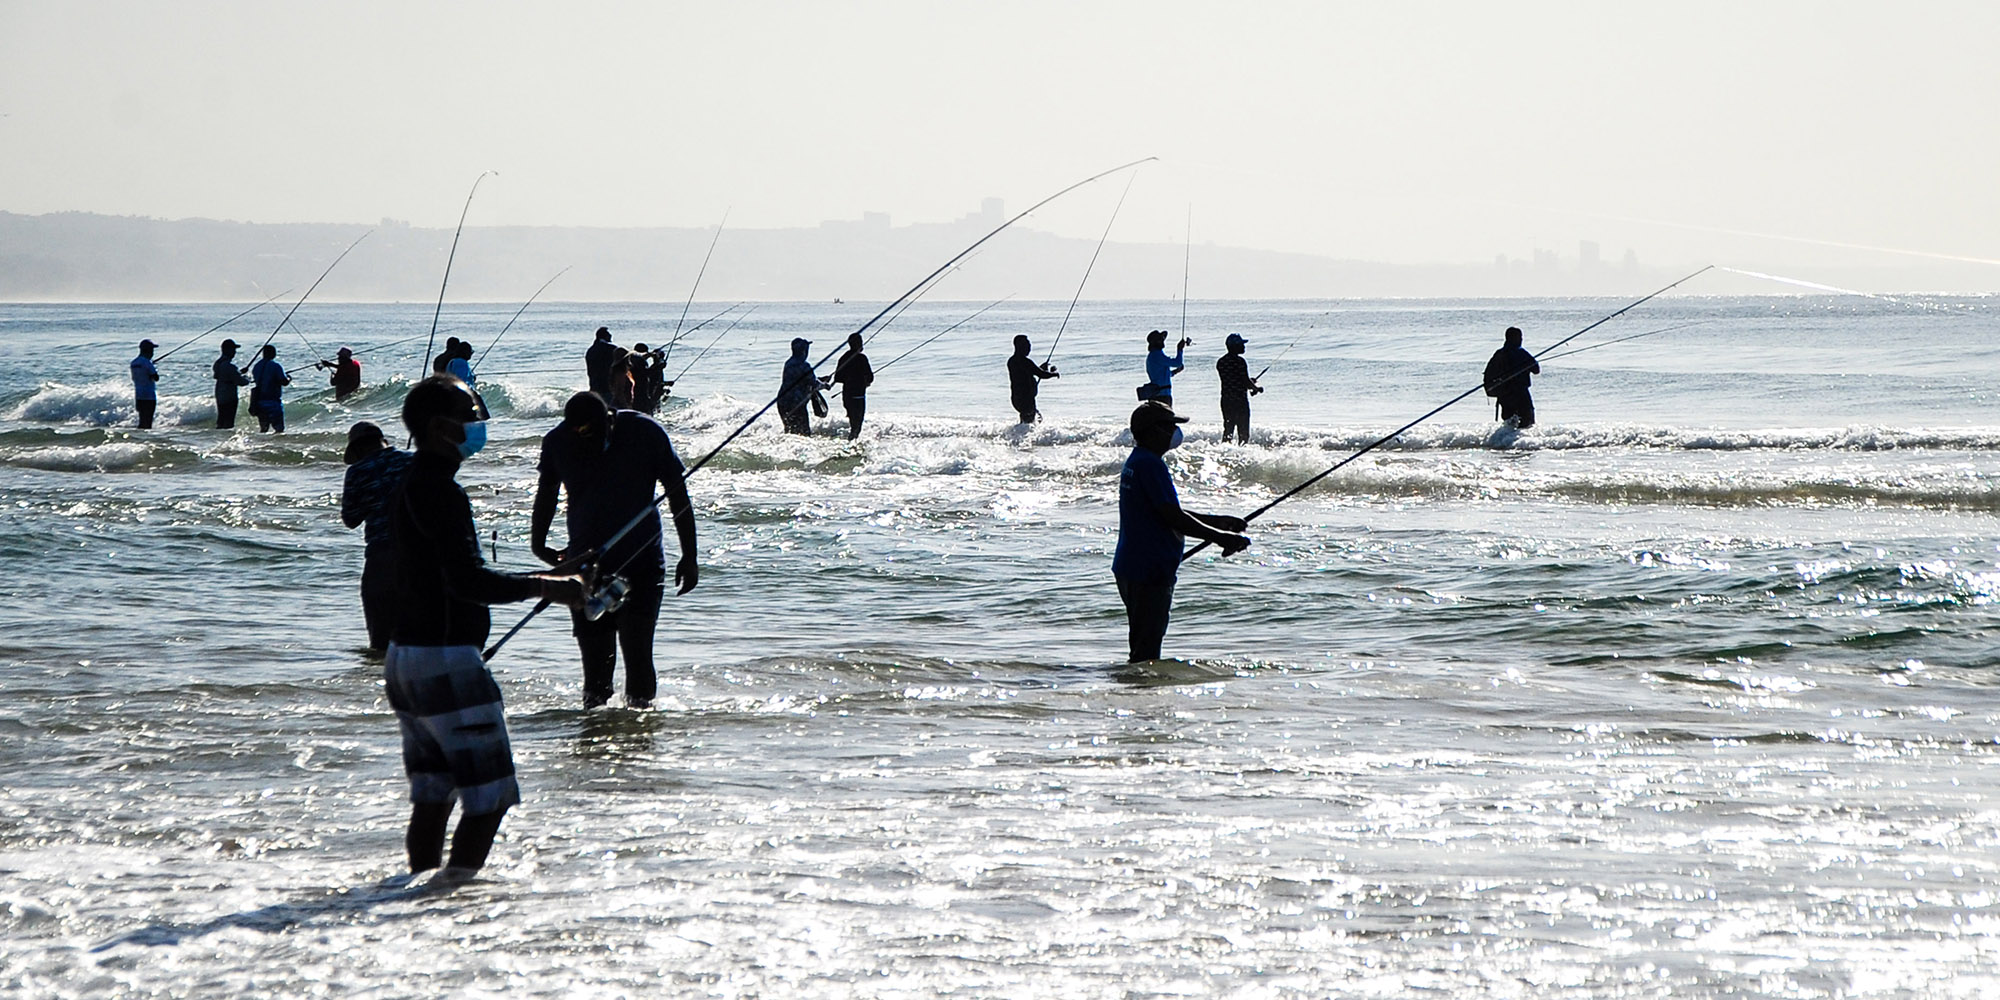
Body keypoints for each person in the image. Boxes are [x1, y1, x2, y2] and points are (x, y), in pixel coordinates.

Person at [385, 375, 585, 878]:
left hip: (405, 657)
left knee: (434, 794)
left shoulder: (408, 482)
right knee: (489, 797)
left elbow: (444, 573)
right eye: (470, 415)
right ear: (439, 428)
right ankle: (453, 896)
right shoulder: (441, 491)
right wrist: (547, 587)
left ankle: (418, 892)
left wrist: (544, 580)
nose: (480, 423)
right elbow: (467, 581)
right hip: (446, 661)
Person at [532, 392, 699, 709]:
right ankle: (595, 732)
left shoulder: (646, 432)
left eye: (596, 434)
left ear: (610, 419)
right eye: (582, 436)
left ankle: (640, 728)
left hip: (642, 562)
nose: (591, 443)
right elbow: (546, 493)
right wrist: (538, 544)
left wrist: (689, 555)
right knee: (596, 668)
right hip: (585, 568)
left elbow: (677, 493)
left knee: (638, 655)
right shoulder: (557, 441)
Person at [1112, 401, 1250, 663]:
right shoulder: (1150, 465)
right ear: (1153, 431)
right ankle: (1140, 688)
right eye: (1169, 426)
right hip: (1148, 570)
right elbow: (1173, 517)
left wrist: (1218, 522)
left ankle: (1136, 686)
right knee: (1146, 653)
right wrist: (1221, 538)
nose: (1174, 432)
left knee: (1142, 645)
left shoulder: (1139, 461)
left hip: (1134, 565)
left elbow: (1165, 509)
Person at [340, 421, 413, 653]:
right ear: (383, 441)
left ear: (357, 450)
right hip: (420, 555)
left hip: (382, 558)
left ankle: (380, 673)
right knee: (420, 634)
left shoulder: (357, 472)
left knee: (381, 641)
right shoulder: (413, 461)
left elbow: (351, 519)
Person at [1482, 326, 1541, 429]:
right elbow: (1536, 370)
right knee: (1527, 423)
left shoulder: (1499, 354)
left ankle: (1504, 439)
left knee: (1509, 425)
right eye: (1520, 337)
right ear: (1516, 338)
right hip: (1520, 395)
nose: (1522, 340)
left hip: (1504, 396)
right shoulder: (1521, 353)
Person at [1215, 333, 1263, 444]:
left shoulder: (1221, 362)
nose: (1244, 346)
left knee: (1228, 429)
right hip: (1240, 401)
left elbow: (1233, 378)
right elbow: (1245, 381)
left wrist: (1249, 383)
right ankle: (1242, 452)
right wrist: (1256, 388)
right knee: (1243, 432)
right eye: (1241, 344)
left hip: (1226, 400)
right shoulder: (1240, 361)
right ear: (1235, 346)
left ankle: (1225, 450)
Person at [824, 332, 873, 440]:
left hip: (847, 395)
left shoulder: (844, 357)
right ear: (859, 344)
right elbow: (870, 377)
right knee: (857, 425)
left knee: (853, 421)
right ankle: (852, 442)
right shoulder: (862, 358)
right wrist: (865, 382)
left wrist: (849, 379)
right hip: (858, 395)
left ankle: (851, 441)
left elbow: (838, 377)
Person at [1006, 334, 1059, 424]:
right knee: (1030, 422)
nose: (1029, 348)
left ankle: (1017, 432)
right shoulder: (1024, 361)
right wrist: (1054, 374)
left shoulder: (1012, 361)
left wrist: (1041, 369)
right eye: (1027, 346)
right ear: (1019, 346)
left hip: (1016, 398)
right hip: (1026, 399)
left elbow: (1030, 372)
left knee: (1030, 420)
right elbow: (1041, 374)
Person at [776, 337, 824, 435]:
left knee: (789, 430)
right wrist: (825, 385)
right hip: (796, 404)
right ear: (803, 351)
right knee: (804, 433)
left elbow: (801, 379)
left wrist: (818, 380)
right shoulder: (804, 365)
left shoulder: (788, 363)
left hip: (782, 402)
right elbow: (814, 384)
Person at [250, 344, 291, 433]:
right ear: (273, 354)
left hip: (260, 402)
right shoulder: (275, 366)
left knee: (264, 429)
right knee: (279, 429)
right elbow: (284, 382)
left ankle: (262, 441)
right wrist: (289, 378)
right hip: (273, 403)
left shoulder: (256, 366)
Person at [1140, 329, 1188, 404]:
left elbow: (1161, 375)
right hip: (1162, 396)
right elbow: (1178, 363)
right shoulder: (1157, 355)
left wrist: (1175, 372)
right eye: (1160, 339)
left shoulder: (1153, 355)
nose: (1163, 341)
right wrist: (1179, 349)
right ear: (1156, 342)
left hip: (1157, 395)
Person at [213, 339, 250, 429]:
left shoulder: (218, 364)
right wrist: (248, 379)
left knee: (221, 420)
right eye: (233, 349)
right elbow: (241, 382)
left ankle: (219, 434)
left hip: (220, 395)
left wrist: (239, 372)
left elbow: (227, 375)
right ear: (227, 350)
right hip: (229, 397)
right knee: (229, 422)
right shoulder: (229, 366)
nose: (234, 352)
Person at [630, 343, 670, 415]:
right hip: (642, 393)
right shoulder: (640, 362)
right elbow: (647, 373)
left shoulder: (632, 360)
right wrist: (658, 366)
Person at [129, 339, 160, 430]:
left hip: (138, 396)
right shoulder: (147, 363)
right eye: (152, 350)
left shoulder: (134, 363)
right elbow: (156, 378)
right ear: (149, 350)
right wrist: (154, 367)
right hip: (149, 396)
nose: (153, 353)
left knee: (142, 420)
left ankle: (140, 436)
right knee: (148, 422)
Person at [585, 327, 619, 395]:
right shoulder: (611, 349)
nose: (611, 335)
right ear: (605, 336)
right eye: (608, 334)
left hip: (594, 384)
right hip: (608, 386)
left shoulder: (591, 350)